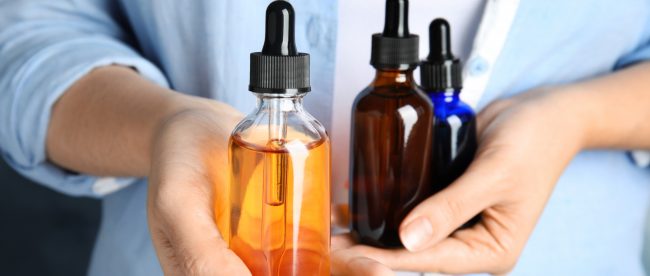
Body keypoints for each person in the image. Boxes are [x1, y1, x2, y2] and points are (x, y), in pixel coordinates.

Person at [0, 0, 649, 275]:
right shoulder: (281, 134)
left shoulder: (383, 105)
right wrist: (163, 124)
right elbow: (32, 34)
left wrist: (573, 117)